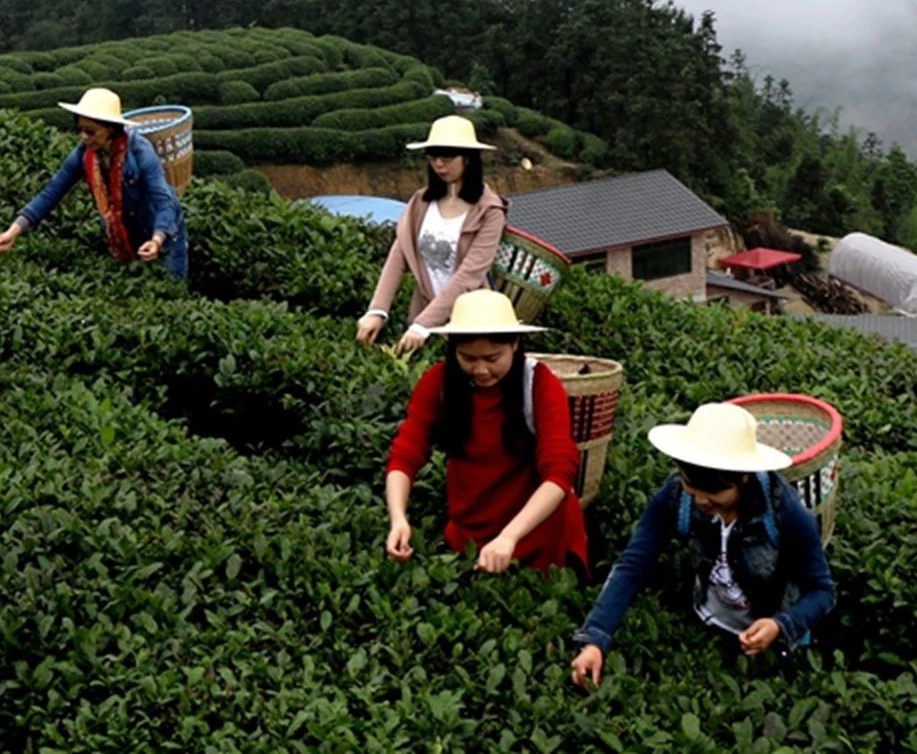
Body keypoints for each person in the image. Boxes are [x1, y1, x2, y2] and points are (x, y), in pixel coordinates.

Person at [568, 403, 835, 690]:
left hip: (771, 646)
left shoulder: (785, 512)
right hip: (707, 627)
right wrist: (595, 638)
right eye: (691, 486)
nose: (701, 501)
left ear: (743, 477)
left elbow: (823, 592)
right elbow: (632, 565)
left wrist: (781, 625)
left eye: (715, 493)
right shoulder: (675, 497)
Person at [384, 289, 588, 575]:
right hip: (468, 536)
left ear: (515, 344)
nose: (480, 369)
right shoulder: (439, 384)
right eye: (467, 358)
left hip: (539, 536)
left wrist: (509, 537)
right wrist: (398, 519)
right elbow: (405, 454)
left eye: (493, 358)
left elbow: (559, 473)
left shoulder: (539, 384)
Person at [0, 87, 187, 279]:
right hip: (127, 234)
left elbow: (163, 200)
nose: (83, 137)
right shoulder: (84, 154)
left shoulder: (140, 152)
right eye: (80, 130)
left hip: (163, 230)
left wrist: (157, 239)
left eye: (91, 132)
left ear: (111, 128)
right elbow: (51, 193)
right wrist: (13, 232)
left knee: (170, 284)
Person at [356, 115, 507, 356]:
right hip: (421, 319)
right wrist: (377, 310)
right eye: (433, 156)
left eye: (447, 157)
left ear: (467, 158)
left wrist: (424, 324)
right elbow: (400, 253)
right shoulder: (421, 202)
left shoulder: (489, 211)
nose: (439, 164)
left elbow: (469, 275)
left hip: (469, 322)